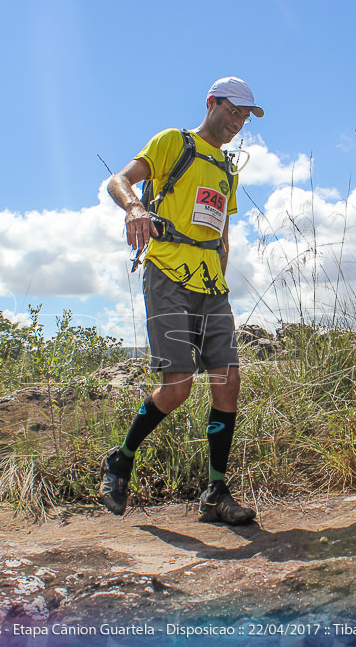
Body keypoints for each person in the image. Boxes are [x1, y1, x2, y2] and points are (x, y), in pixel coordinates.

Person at [99, 77, 264, 525]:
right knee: (177, 388)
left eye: (245, 116)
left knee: (227, 381)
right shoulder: (176, 142)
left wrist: (221, 283)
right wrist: (135, 207)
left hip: (211, 287)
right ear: (211, 103)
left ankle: (216, 491)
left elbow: (222, 234)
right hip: (168, 275)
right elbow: (118, 179)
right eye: (232, 111)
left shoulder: (228, 169)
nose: (237, 122)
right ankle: (121, 459)